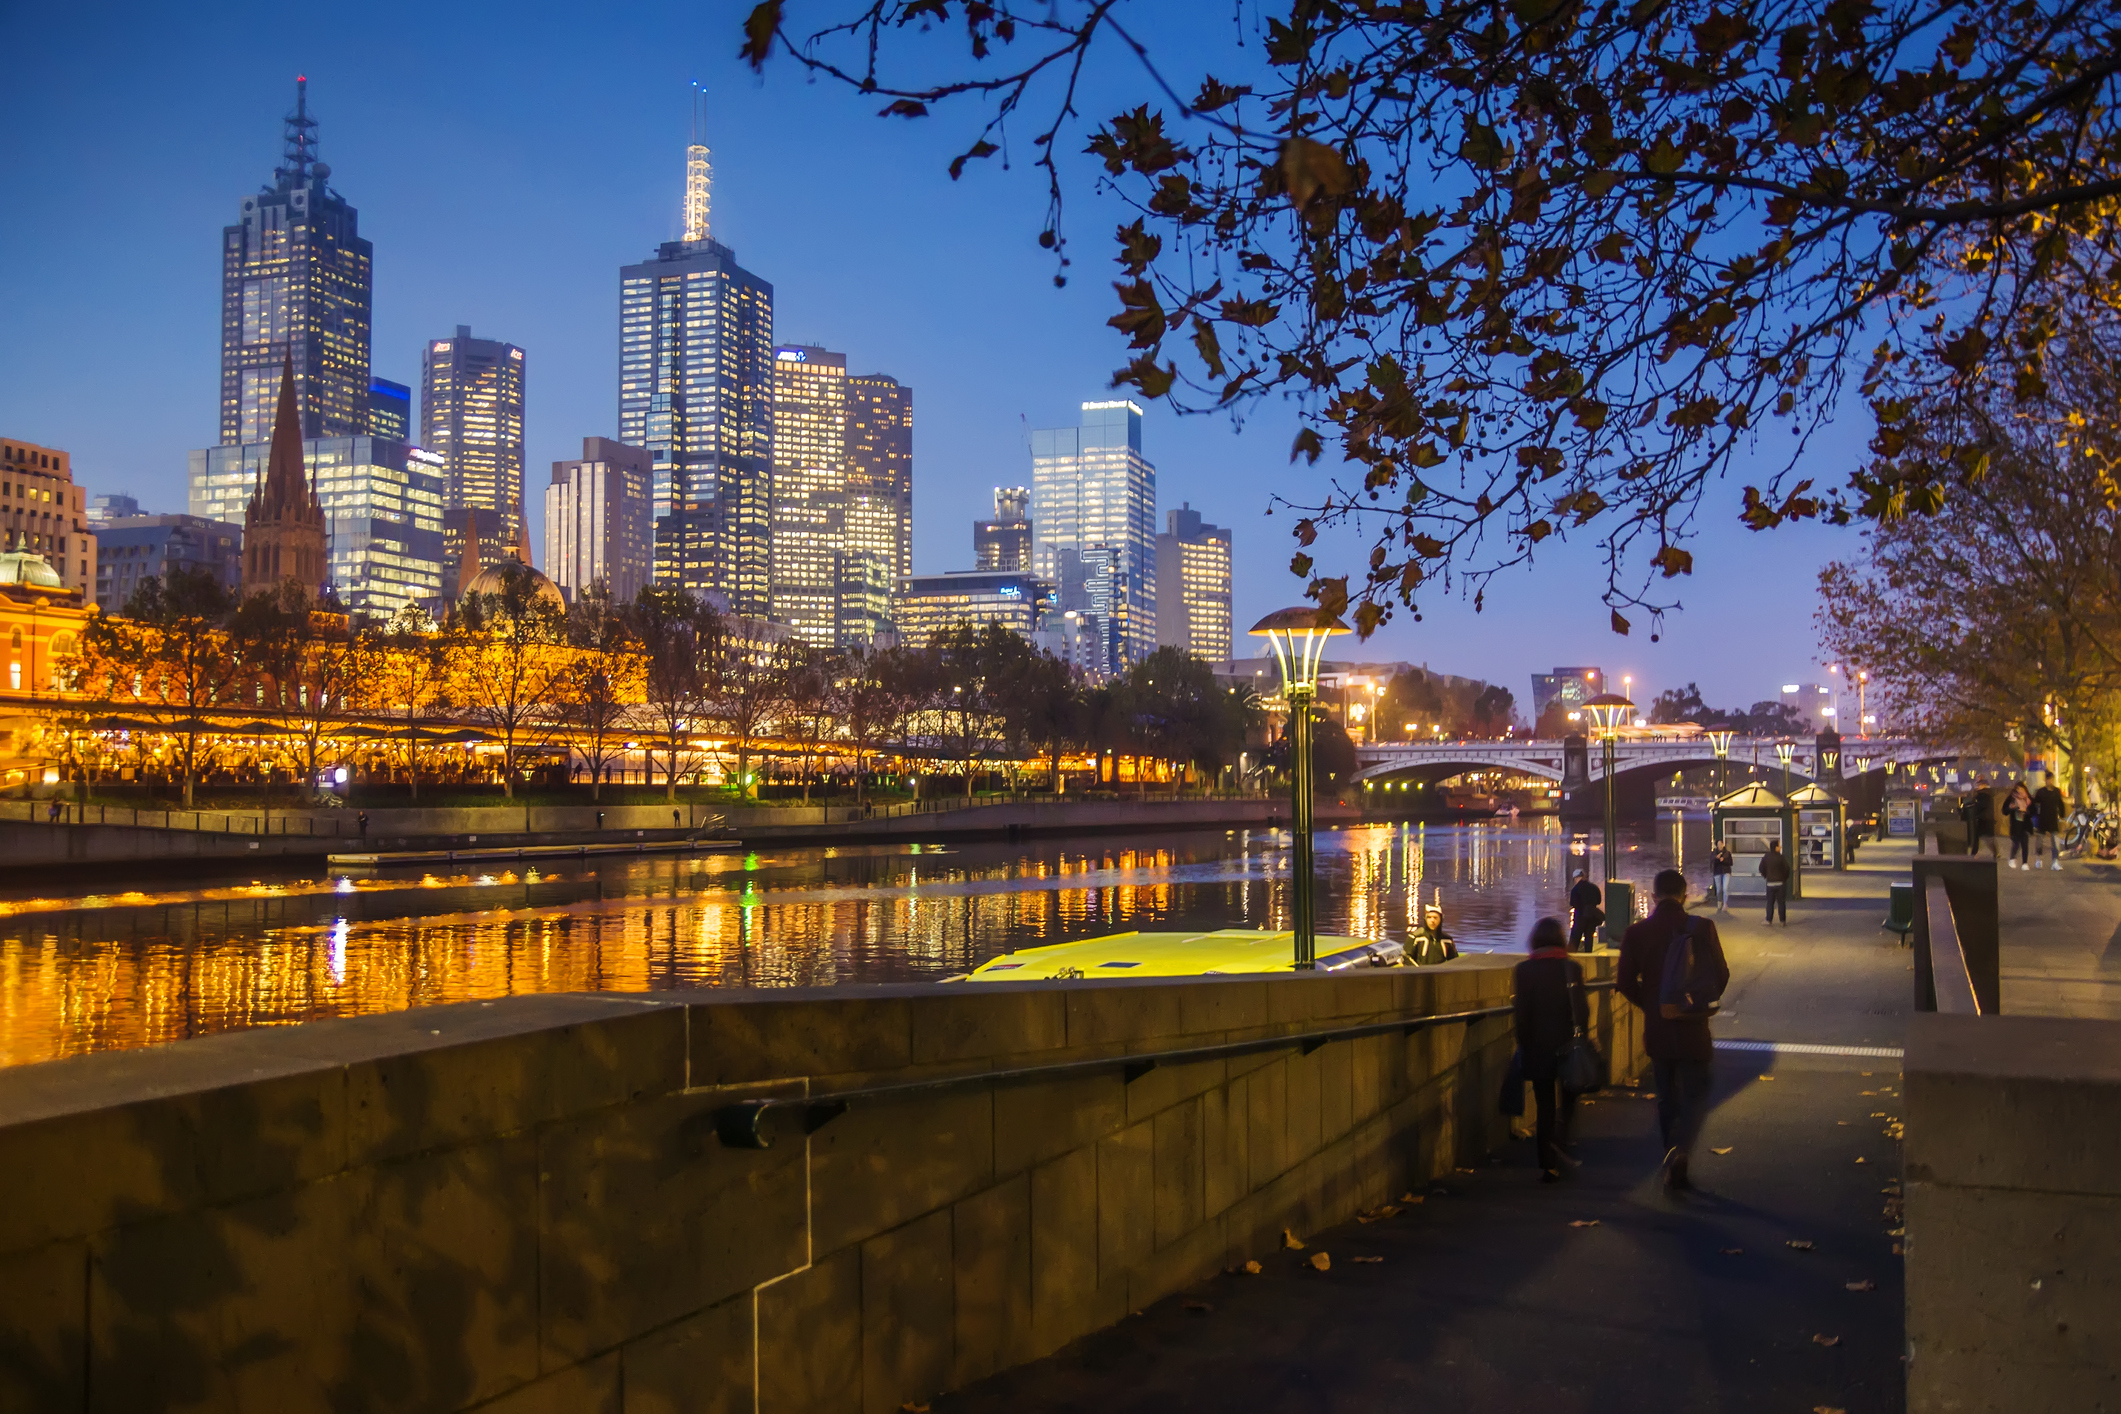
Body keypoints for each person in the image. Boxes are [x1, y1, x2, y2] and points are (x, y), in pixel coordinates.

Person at [1616, 868, 1730, 1195]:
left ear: (1654, 897)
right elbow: (1720, 975)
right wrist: (1695, 1004)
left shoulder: (1636, 934)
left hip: (1659, 1030)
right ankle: (1682, 1150)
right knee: (1695, 1094)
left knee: (1667, 1097)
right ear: (1684, 896)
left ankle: (1670, 1155)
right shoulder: (1703, 928)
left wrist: (1653, 1005)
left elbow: (1624, 983)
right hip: (1694, 1029)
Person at [1513, 916, 1589, 1182]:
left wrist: (1523, 1044)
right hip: (1568, 1044)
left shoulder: (1523, 970)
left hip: (1537, 1046)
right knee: (1568, 1097)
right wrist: (1583, 1037)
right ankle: (1561, 1137)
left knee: (1544, 1103)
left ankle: (1548, 1164)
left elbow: (1522, 1013)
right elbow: (1581, 1009)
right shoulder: (1571, 968)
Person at [2033, 776, 2068, 870]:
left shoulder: (2056, 791)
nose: (2050, 781)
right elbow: (2035, 803)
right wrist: (2034, 816)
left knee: (2055, 841)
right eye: (2048, 779)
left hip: (2053, 819)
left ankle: (2055, 861)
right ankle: (2038, 859)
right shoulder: (2041, 792)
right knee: (2040, 840)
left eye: (2051, 779)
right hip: (2042, 819)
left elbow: (2060, 804)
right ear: (2046, 780)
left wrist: (2062, 816)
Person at [1567, 872, 1604, 952]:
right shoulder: (1594, 888)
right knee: (1589, 938)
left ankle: (1572, 957)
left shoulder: (1575, 889)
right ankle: (1588, 956)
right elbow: (1598, 901)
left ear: (1576, 878)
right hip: (1591, 917)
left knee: (1575, 939)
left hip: (1579, 917)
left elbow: (1573, 903)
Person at [1759, 839, 1791, 924]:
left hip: (1770, 883)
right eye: (1779, 845)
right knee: (1781, 903)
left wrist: (1766, 876)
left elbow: (1761, 868)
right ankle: (1782, 920)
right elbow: (1787, 869)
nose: (1780, 847)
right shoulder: (1781, 857)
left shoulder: (1766, 857)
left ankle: (1768, 919)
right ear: (1776, 847)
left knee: (1770, 903)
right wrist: (1784, 878)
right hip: (1780, 884)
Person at [2004, 781, 2032, 869]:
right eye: (2018, 789)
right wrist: (2010, 808)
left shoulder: (2028, 798)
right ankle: (2012, 858)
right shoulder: (2012, 798)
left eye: (2021, 789)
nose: (2020, 791)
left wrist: (2027, 810)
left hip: (2025, 824)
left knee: (2025, 843)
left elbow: (2033, 811)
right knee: (2016, 843)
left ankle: (2025, 863)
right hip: (2016, 824)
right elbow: (2004, 811)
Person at [1708, 841, 1734, 912]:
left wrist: (1724, 860)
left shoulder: (1727, 853)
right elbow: (1711, 862)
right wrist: (1717, 858)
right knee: (1719, 889)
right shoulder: (1714, 853)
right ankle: (1719, 902)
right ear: (1717, 845)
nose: (1720, 845)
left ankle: (1725, 904)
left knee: (1725, 888)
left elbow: (1731, 863)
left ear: (1723, 844)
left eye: (1721, 844)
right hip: (1717, 872)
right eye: (1718, 844)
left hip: (1726, 872)